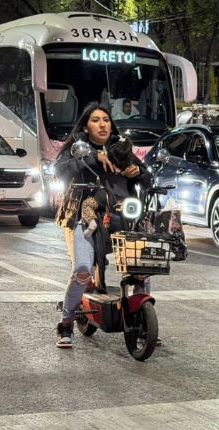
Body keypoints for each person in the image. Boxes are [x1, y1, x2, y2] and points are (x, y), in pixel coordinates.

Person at [52, 102, 150, 348]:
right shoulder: (79, 148)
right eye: (95, 120)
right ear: (86, 126)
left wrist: (137, 172)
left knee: (142, 268)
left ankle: (143, 322)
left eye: (106, 120)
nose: (102, 124)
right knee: (82, 270)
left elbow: (148, 177)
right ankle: (66, 324)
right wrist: (93, 157)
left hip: (122, 218)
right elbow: (59, 170)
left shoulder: (121, 148)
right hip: (86, 218)